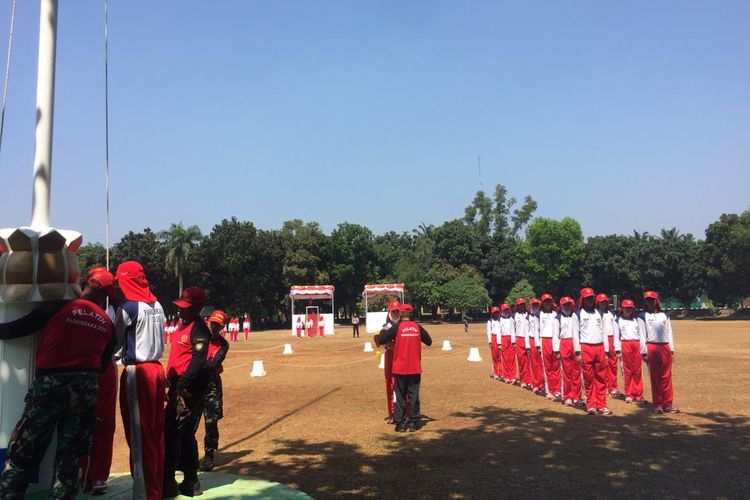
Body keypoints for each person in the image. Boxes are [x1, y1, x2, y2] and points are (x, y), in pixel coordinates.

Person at [0, 268, 116, 499]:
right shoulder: (106, 323)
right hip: (86, 389)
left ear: (84, 284)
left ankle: (11, 494)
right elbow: (103, 365)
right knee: (70, 456)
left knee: (26, 448)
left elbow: (18, 328)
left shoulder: (59, 306)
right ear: (106, 296)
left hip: (50, 385)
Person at [114, 260, 167, 500]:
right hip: (157, 370)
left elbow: (114, 342)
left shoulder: (128, 308)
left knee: (139, 434)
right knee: (156, 434)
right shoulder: (157, 304)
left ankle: (145, 495)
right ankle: (156, 487)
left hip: (138, 373)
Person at [163, 287, 212, 497]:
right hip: (177, 385)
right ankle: (190, 481)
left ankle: (174, 482)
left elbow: (198, 360)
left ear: (198, 308)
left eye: (187, 308)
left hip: (187, 389)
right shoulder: (183, 325)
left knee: (174, 433)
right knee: (181, 435)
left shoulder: (199, 329)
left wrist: (182, 384)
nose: (182, 311)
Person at [374, 304, 432, 432]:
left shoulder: (396, 327)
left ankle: (400, 424)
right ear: (411, 314)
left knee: (400, 396)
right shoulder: (417, 327)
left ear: (400, 314)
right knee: (413, 395)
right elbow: (429, 341)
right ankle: (414, 423)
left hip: (399, 367)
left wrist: (385, 331)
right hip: (415, 367)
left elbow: (381, 339)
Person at [196, 310, 230, 472]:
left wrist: (198, 363)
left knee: (211, 422)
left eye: (218, 325)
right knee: (190, 420)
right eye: (212, 323)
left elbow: (213, 365)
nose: (214, 327)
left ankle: (209, 455)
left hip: (211, 385)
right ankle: (188, 456)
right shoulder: (200, 337)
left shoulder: (223, 345)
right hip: (195, 382)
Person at [638, 291, 678, 414]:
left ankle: (668, 404)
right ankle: (658, 404)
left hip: (665, 347)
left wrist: (671, 349)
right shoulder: (642, 316)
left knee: (666, 376)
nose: (650, 302)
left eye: (652, 299)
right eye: (648, 300)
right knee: (655, 377)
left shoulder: (664, 315)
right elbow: (642, 335)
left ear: (657, 300)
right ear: (645, 302)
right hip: (652, 347)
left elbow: (669, 332)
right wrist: (644, 352)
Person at [577, 288, 612, 415]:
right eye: (587, 298)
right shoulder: (578, 314)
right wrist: (577, 351)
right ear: (582, 299)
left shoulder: (600, 313)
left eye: (592, 298)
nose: (590, 300)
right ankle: (591, 404)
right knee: (588, 377)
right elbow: (575, 334)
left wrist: (606, 351)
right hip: (586, 347)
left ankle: (602, 404)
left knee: (601, 377)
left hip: (600, 347)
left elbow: (604, 333)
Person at [614, 299, 646, 404]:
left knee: (637, 370)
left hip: (636, 344)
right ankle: (629, 394)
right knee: (627, 371)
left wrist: (643, 348)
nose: (628, 310)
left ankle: (638, 394)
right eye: (626, 308)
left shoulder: (637, 319)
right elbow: (616, 336)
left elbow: (642, 334)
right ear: (622, 309)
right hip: (625, 344)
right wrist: (618, 350)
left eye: (630, 308)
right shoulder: (618, 320)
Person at [554, 296, 583, 407]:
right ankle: (567, 396)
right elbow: (555, 335)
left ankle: (576, 396)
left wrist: (579, 347)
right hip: (564, 343)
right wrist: (556, 350)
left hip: (575, 344)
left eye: (569, 304)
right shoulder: (557, 318)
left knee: (576, 371)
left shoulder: (576, 316)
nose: (567, 306)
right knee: (566, 372)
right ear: (561, 306)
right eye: (565, 304)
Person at [597, 293, 623, 398]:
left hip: (612, 339)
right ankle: (603, 387)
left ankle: (613, 387)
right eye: (601, 302)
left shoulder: (611, 313)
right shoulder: (596, 313)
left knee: (613, 364)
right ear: (597, 303)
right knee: (603, 364)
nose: (603, 304)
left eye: (605, 302)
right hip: (601, 340)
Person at [381, 300, 402, 423]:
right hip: (390, 357)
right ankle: (392, 413)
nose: (395, 314)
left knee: (403, 385)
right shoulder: (386, 325)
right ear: (389, 312)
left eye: (397, 312)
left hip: (402, 356)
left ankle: (404, 412)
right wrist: (388, 344)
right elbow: (381, 339)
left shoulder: (404, 324)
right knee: (390, 384)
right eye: (393, 312)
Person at [538, 294, 562, 401]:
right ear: (542, 303)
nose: (547, 303)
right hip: (545, 340)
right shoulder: (539, 314)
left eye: (549, 301)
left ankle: (557, 389)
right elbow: (536, 330)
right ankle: (549, 390)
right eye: (545, 301)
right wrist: (538, 344)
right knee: (547, 367)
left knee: (556, 366)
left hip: (555, 340)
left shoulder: (555, 314)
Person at [525, 298, 545, 395]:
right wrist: (528, 345)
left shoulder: (542, 315)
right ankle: (535, 384)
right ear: (530, 306)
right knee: (534, 364)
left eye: (537, 304)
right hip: (532, 340)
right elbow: (526, 332)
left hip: (542, 340)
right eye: (534, 305)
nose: (536, 306)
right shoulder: (528, 317)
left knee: (542, 363)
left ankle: (542, 384)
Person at [513, 299, 532, 390]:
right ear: (517, 306)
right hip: (519, 338)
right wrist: (514, 341)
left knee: (529, 361)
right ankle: (523, 380)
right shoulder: (514, 316)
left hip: (528, 339)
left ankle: (530, 380)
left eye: (523, 304)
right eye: (520, 305)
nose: (522, 306)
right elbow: (512, 329)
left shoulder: (528, 315)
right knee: (521, 361)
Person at [499, 304, 517, 384]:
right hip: (504, 338)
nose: (506, 311)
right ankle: (506, 376)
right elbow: (499, 332)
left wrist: (514, 341)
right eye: (504, 310)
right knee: (505, 358)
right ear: (502, 311)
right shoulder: (500, 319)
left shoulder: (512, 318)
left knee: (512, 358)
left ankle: (512, 376)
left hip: (511, 338)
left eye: (507, 309)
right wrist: (499, 343)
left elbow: (515, 329)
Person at [486, 306, 502, 380]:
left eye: (497, 312)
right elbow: (489, 331)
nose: (496, 314)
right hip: (493, 338)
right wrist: (490, 342)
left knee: (501, 356)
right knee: (495, 356)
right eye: (494, 313)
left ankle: (501, 372)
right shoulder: (490, 321)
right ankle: (495, 372)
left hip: (500, 338)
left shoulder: (500, 320)